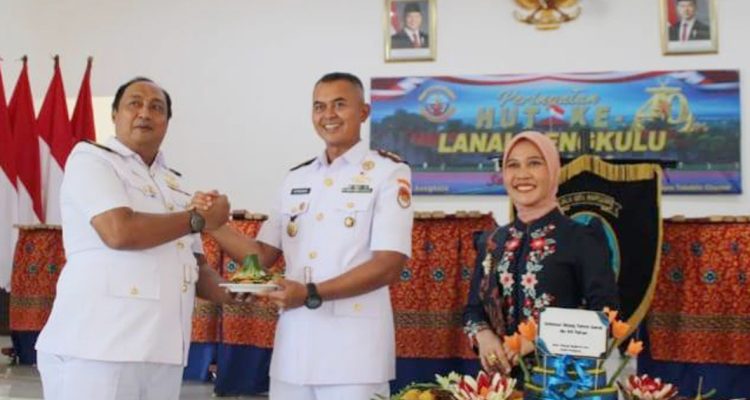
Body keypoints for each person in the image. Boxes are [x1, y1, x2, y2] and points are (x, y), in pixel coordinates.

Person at [194, 72, 413, 399]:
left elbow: (389, 265)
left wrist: (311, 292)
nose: (328, 115)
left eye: (340, 104)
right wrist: (214, 225)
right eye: (319, 106)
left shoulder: (389, 172)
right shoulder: (296, 178)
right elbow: (261, 256)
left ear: (364, 112)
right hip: (294, 351)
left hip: (354, 355)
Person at [35, 77, 241, 400]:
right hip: (98, 348)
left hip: (163, 352)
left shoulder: (175, 185)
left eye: (156, 107)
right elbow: (119, 232)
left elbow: (197, 266)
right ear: (115, 114)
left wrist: (236, 291)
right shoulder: (91, 159)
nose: (145, 112)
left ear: (167, 122)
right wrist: (198, 219)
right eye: (135, 103)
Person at [462, 131, 619, 374]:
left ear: (553, 171)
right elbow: (473, 310)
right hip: (500, 384)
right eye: (513, 165)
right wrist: (483, 335)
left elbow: (606, 317)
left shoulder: (581, 238)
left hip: (563, 383)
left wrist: (539, 338)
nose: (522, 174)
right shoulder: (492, 241)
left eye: (534, 163)